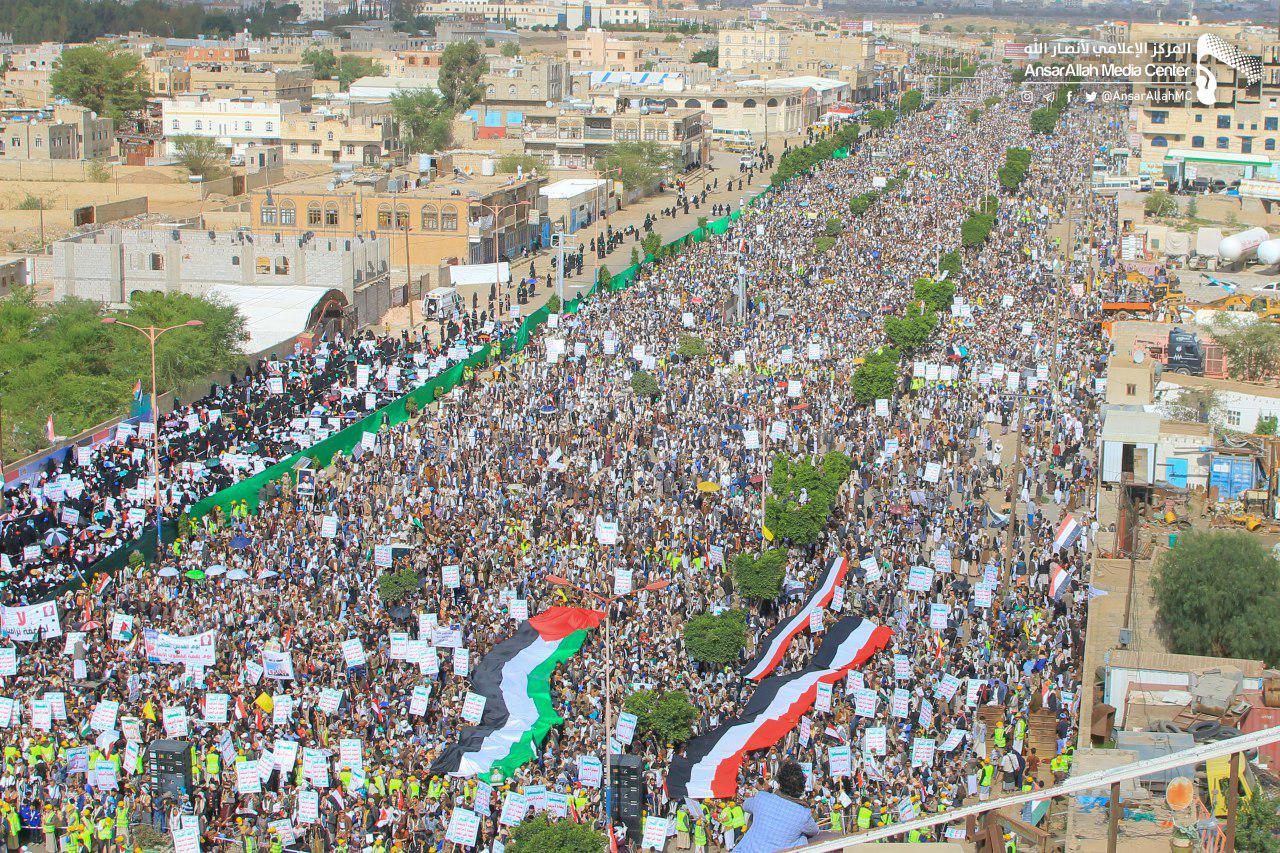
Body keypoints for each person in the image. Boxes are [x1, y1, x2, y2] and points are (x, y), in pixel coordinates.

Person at [733, 763, 820, 853]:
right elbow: (815, 831)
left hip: (744, 850)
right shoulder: (803, 813)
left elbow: (745, 805)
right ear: (801, 789)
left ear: (779, 784)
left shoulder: (762, 797)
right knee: (802, 837)